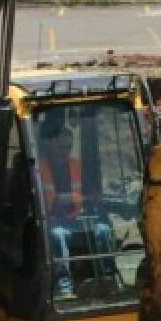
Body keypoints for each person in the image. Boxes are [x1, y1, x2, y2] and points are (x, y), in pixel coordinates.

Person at [38, 118, 113, 299]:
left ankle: (108, 278)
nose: (66, 152)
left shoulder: (75, 166)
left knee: (103, 230)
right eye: (62, 148)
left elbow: (90, 192)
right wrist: (69, 198)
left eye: (69, 148)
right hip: (48, 223)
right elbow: (50, 200)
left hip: (77, 221)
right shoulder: (39, 168)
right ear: (49, 146)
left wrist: (95, 198)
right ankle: (64, 285)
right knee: (58, 235)